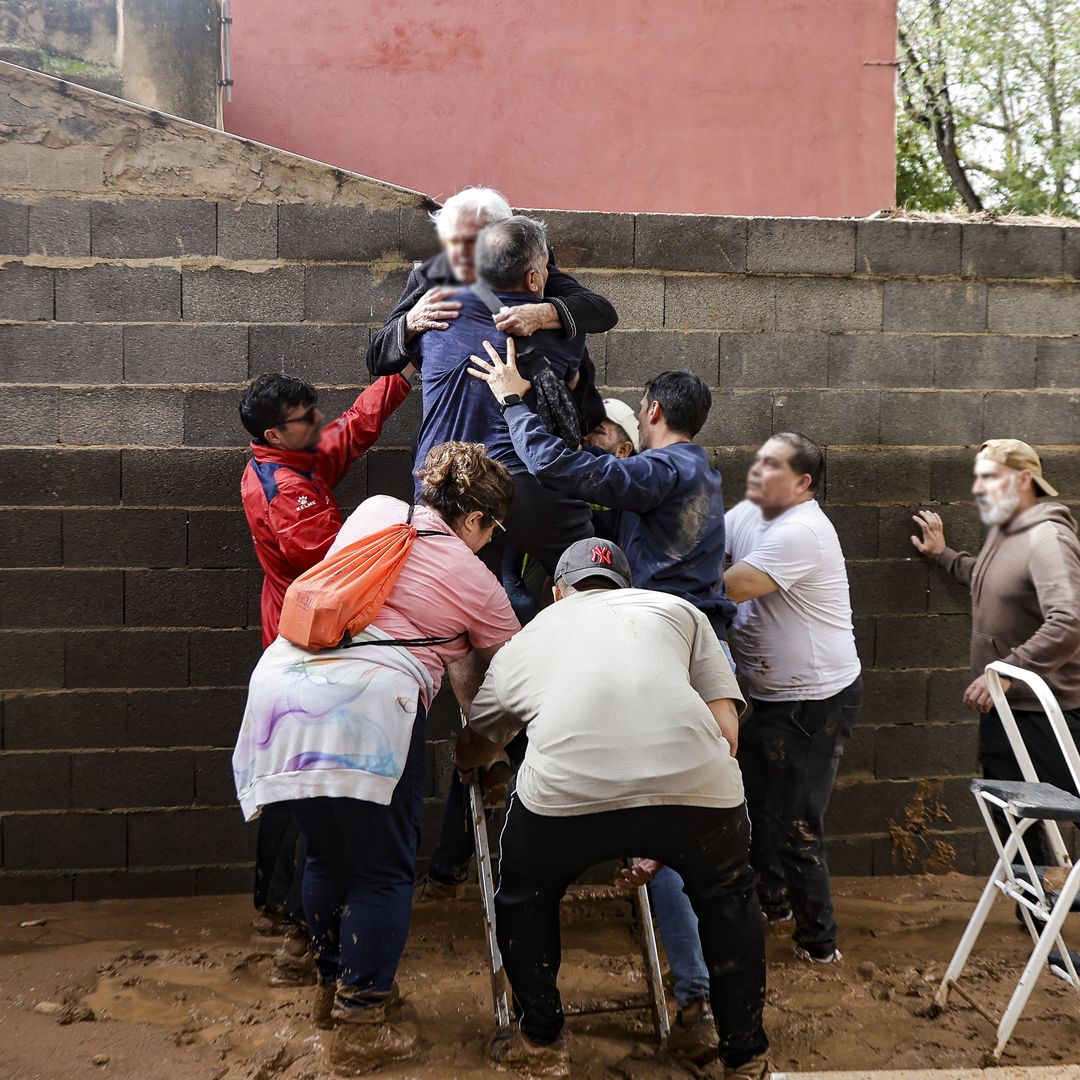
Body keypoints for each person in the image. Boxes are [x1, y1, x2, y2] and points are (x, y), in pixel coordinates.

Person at [469, 343, 736, 1056]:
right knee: (678, 836)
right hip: (683, 664)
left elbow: (568, 471)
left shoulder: (669, 466)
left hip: (668, 653)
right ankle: (701, 1005)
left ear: (650, 413)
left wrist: (515, 399)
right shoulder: (699, 473)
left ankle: (554, 1031)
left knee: (540, 876)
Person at [232, 442, 519, 1075]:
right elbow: (508, 675)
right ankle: (362, 1021)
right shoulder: (479, 584)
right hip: (367, 706)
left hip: (282, 687)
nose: (489, 540)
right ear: (476, 520)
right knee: (383, 871)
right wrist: (488, 747)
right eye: (492, 528)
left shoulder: (375, 512)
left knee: (329, 854)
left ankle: (332, 997)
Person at [454, 538, 770, 1080]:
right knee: (729, 899)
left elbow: (482, 742)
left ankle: (543, 1040)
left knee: (525, 896)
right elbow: (726, 732)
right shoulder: (678, 612)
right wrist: (665, 839)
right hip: (703, 794)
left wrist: (466, 763)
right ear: (628, 585)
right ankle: (745, 1054)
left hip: (565, 798)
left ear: (557, 593)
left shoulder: (529, 640)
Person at [238, 369, 412, 976]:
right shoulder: (288, 494)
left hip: (302, 641)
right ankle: (294, 930)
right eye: (305, 417)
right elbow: (347, 567)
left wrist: (401, 375)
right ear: (273, 432)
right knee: (307, 802)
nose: (318, 423)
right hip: (311, 653)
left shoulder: (295, 463)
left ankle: (290, 921)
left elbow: (350, 431)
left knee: (301, 803)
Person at [723, 432, 862, 965]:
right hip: (775, 698)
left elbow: (729, 584)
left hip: (815, 703)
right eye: (758, 459)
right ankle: (773, 903)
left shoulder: (805, 530)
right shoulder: (750, 513)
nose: (758, 470)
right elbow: (710, 544)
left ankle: (819, 943)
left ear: (802, 483)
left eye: (773, 465)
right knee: (761, 808)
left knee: (797, 824)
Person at [911, 438, 1080, 864]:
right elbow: (993, 582)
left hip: (1048, 712)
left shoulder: (1047, 539)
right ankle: (1040, 918)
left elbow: (1069, 620)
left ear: (1024, 480)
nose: (980, 488)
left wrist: (1010, 668)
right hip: (1006, 708)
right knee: (1011, 817)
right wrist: (944, 556)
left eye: (990, 477)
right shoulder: (1007, 531)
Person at [366, 186, 616, 425]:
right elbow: (378, 358)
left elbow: (601, 311)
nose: (465, 254)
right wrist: (409, 323)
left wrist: (541, 313)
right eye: (454, 241)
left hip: (533, 417)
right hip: (456, 417)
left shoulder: (531, 266)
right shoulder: (435, 274)